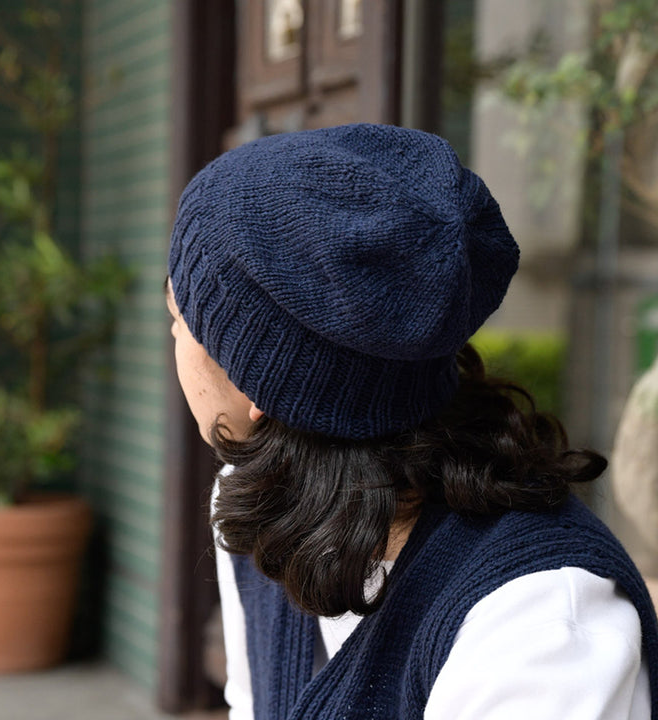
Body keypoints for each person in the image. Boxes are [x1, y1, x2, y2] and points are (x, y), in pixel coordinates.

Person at [166, 123, 658, 719]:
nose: (172, 333)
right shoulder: (255, 498)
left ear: (255, 380)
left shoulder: (542, 625)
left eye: (180, 315)